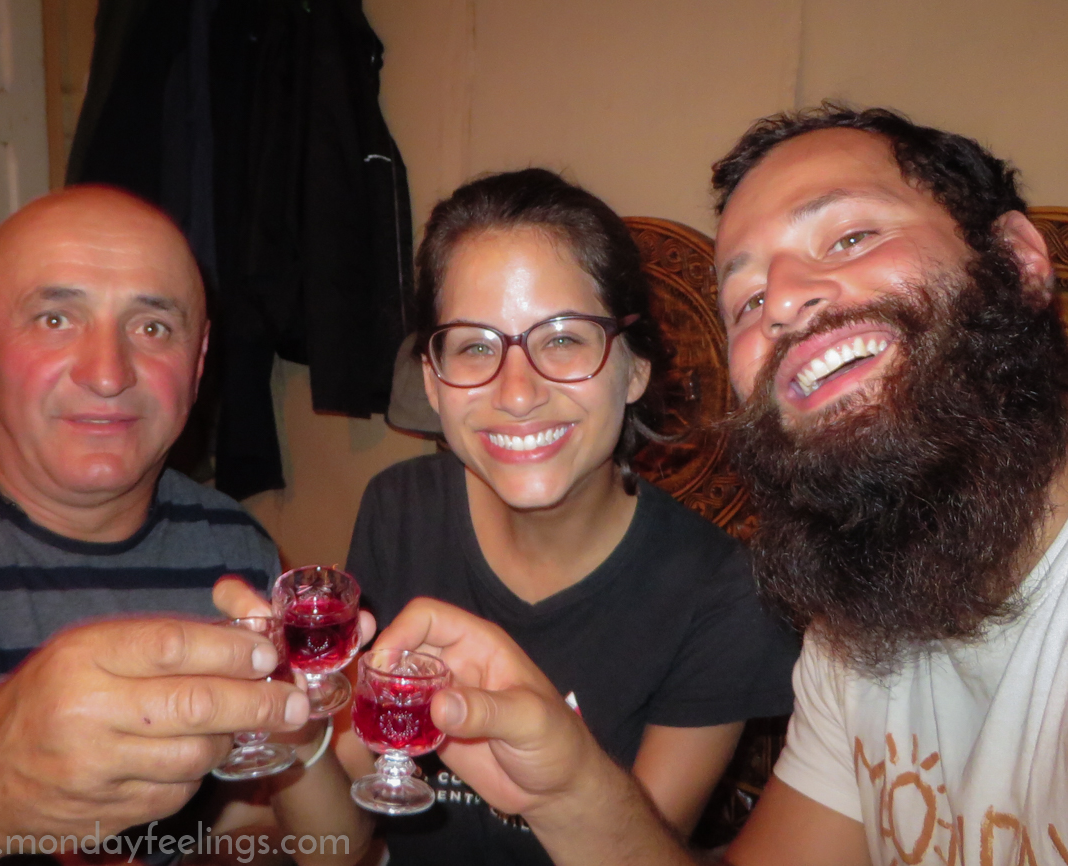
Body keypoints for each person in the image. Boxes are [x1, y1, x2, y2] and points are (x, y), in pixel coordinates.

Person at [358, 106, 1068, 866]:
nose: (786, 298)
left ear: (1019, 260)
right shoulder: (856, 632)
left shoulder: (729, 593)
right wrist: (568, 788)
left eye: (852, 237)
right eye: (749, 301)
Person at [339, 168, 798, 864]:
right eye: (474, 346)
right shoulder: (397, 511)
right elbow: (338, 842)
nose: (516, 392)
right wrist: (292, 724)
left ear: (634, 367)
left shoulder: (723, 593)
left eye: (562, 339)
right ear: (433, 381)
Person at [0, 186, 370, 866]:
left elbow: (254, 824)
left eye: (153, 327)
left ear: (198, 363)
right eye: (54, 319)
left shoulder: (235, 552)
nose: (107, 374)